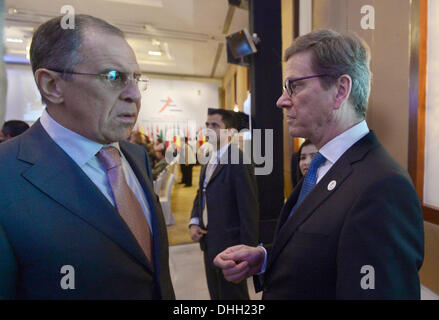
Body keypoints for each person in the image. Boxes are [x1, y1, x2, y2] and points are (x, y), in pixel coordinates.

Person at [214, 29, 424, 299]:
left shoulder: (383, 187)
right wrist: (266, 258)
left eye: (295, 86)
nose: (281, 101)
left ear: (340, 90)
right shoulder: (322, 166)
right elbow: (319, 252)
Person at [0, 14, 175, 299]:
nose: (134, 94)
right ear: (52, 86)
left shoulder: (135, 156)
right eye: (114, 77)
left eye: (136, 79)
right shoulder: (6, 175)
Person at [189, 108, 259, 300]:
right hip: (209, 240)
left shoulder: (239, 161)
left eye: (215, 126)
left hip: (231, 245)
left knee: (233, 297)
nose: (209, 130)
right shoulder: (208, 157)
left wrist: (247, 252)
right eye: (207, 125)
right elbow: (201, 193)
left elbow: (249, 210)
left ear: (229, 132)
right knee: (216, 294)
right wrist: (195, 220)